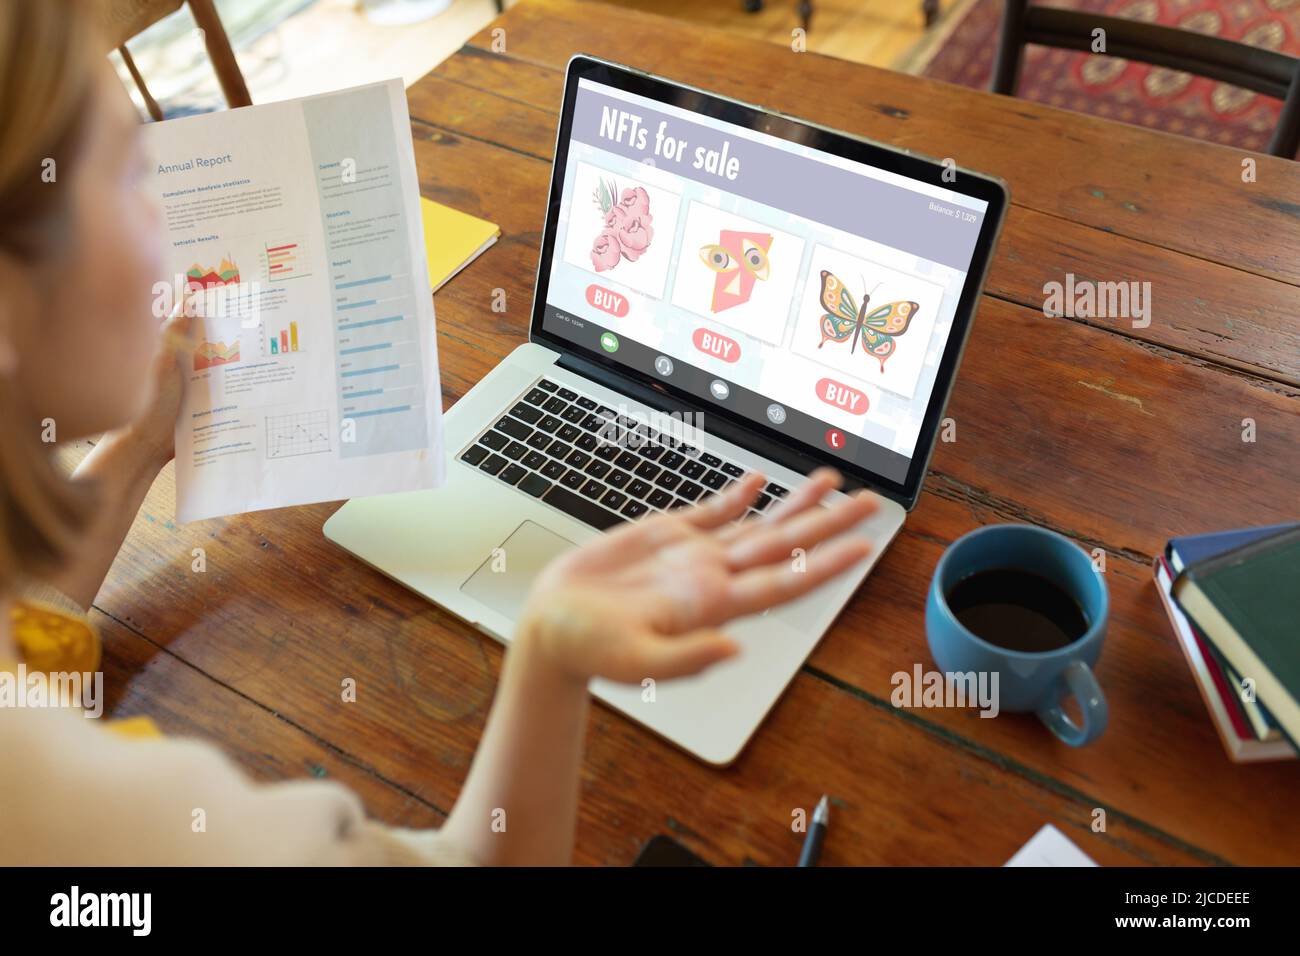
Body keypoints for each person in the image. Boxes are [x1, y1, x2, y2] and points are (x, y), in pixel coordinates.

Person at [0, 0, 879, 865]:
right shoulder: (137, 828)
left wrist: (149, 441)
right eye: (126, 173)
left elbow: (21, 631)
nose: (166, 217)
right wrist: (551, 646)